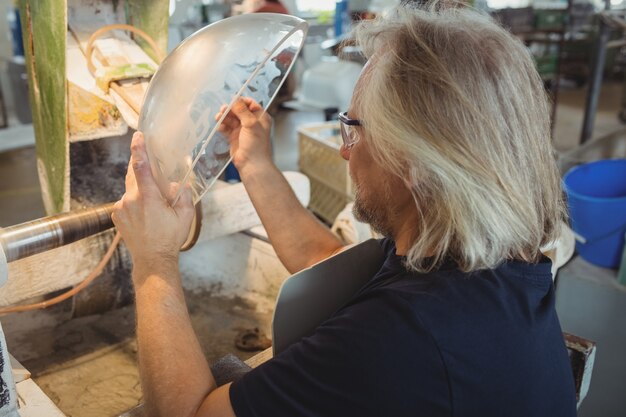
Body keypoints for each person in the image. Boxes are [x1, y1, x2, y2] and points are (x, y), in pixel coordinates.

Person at [112, 3, 577, 416]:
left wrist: (154, 262)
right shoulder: (493, 263)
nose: (345, 152)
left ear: (411, 160)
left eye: (352, 129)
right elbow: (330, 268)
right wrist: (253, 163)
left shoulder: (395, 342)